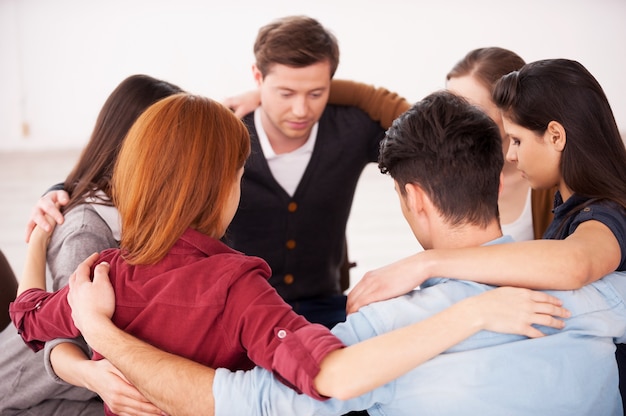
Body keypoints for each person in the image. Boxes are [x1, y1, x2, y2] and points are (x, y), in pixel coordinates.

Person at [65, 90, 626, 415]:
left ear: (414, 199)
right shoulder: (595, 292)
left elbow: (234, 403)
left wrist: (103, 333)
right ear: (496, 179)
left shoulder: (376, 338)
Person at [27, 15, 412, 330]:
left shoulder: (350, 129)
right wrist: (62, 189)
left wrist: (338, 89)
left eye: (316, 92)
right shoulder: (224, 133)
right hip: (231, 309)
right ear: (258, 80)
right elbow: (141, 163)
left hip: (326, 304)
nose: (300, 110)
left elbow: (424, 128)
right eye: (285, 92)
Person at [347, 59, 626, 410]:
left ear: (556, 136)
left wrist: (427, 264)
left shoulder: (605, 214)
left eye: (518, 140)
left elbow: (576, 263)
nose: (509, 154)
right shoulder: (568, 207)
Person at [0, 74, 182, 416]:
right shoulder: (87, 232)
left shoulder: (142, 203)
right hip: (34, 388)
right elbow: (61, 333)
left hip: (79, 381)